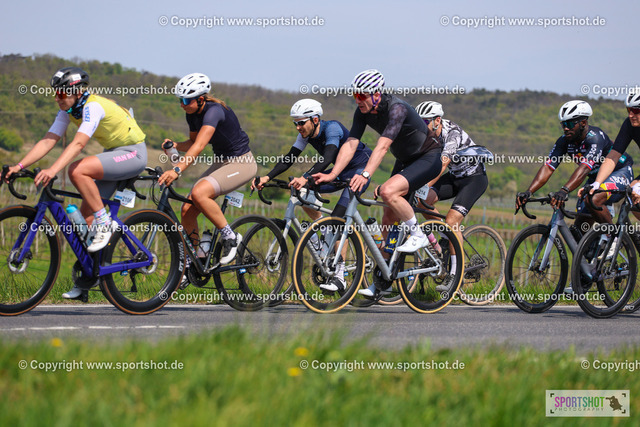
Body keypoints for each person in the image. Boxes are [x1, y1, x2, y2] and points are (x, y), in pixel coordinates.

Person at [5, 66, 148, 299]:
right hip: (113, 153)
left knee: (77, 170)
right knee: (86, 221)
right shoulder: (68, 110)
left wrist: (53, 169)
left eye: (61, 93)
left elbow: (79, 144)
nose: (57, 98)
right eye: (55, 93)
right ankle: (87, 280)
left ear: (77, 91)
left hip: (133, 153)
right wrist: (19, 166)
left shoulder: (92, 106)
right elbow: (48, 140)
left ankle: (105, 223)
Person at [316, 69, 443, 297]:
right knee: (388, 217)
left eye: (362, 95)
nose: (358, 100)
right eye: (355, 95)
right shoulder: (362, 112)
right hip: (405, 161)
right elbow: (351, 143)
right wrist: (333, 174)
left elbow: (383, 147)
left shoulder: (397, 109)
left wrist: (365, 174)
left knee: (388, 192)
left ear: (376, 93)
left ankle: (418, 235)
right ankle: (385, 278)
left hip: (428, 157)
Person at [251, 99, 372, 292]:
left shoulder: (332, 129)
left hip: (360, 169)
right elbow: (289, 158)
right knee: (302, 191)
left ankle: (340, 276)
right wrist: (267, 176)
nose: (298, 127)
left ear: (315, 120)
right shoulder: (305, 134)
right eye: (295, 123)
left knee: (338, 218)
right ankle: (322, 235)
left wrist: (305, 177)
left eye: (301, 123)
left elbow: (328, 157)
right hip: (340, 171)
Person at [158, 73, 257, 278]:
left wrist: (177, 170)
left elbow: (200, 146)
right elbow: (192, 143)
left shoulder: (214, 111)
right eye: (180, 99)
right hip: (222, 162)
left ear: (201, 99)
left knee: (199, 193)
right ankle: (193, 262)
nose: (182, 104)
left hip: (242, 163)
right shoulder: (192, 113)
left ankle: (230, 237)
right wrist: (175, 145)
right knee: (187, 209)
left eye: (186, 100)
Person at [516, 100, 633, 230]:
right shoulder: (564, 141)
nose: (566, 128)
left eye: (570, 124)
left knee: (593, 199)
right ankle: (596, 243)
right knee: (579, 228)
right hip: (595, 178)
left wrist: (564, 190)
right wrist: (529, 192)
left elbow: (584, 168)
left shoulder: (595, 138)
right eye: (563, 124)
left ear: (583, 123)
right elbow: (548, 167)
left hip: (620, 172)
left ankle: (613, 236)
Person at [414, 101, 490, 291]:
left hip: (474, 178)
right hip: (455, 177)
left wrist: (424, 185)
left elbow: (442, 164)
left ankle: (456, 275)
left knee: (452, 220)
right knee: (422, 201)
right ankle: (445, 240)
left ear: (437, 121)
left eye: (425, 122)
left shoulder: (452, 133)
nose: (422, 126)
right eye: (420, 121)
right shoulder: (426, 135)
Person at [584, 92, 640, 213]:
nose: (631, 115)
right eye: (628, 110)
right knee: (633, 196)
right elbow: (613, 156)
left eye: (636, 111)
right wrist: (597, 183)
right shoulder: (629, 124)